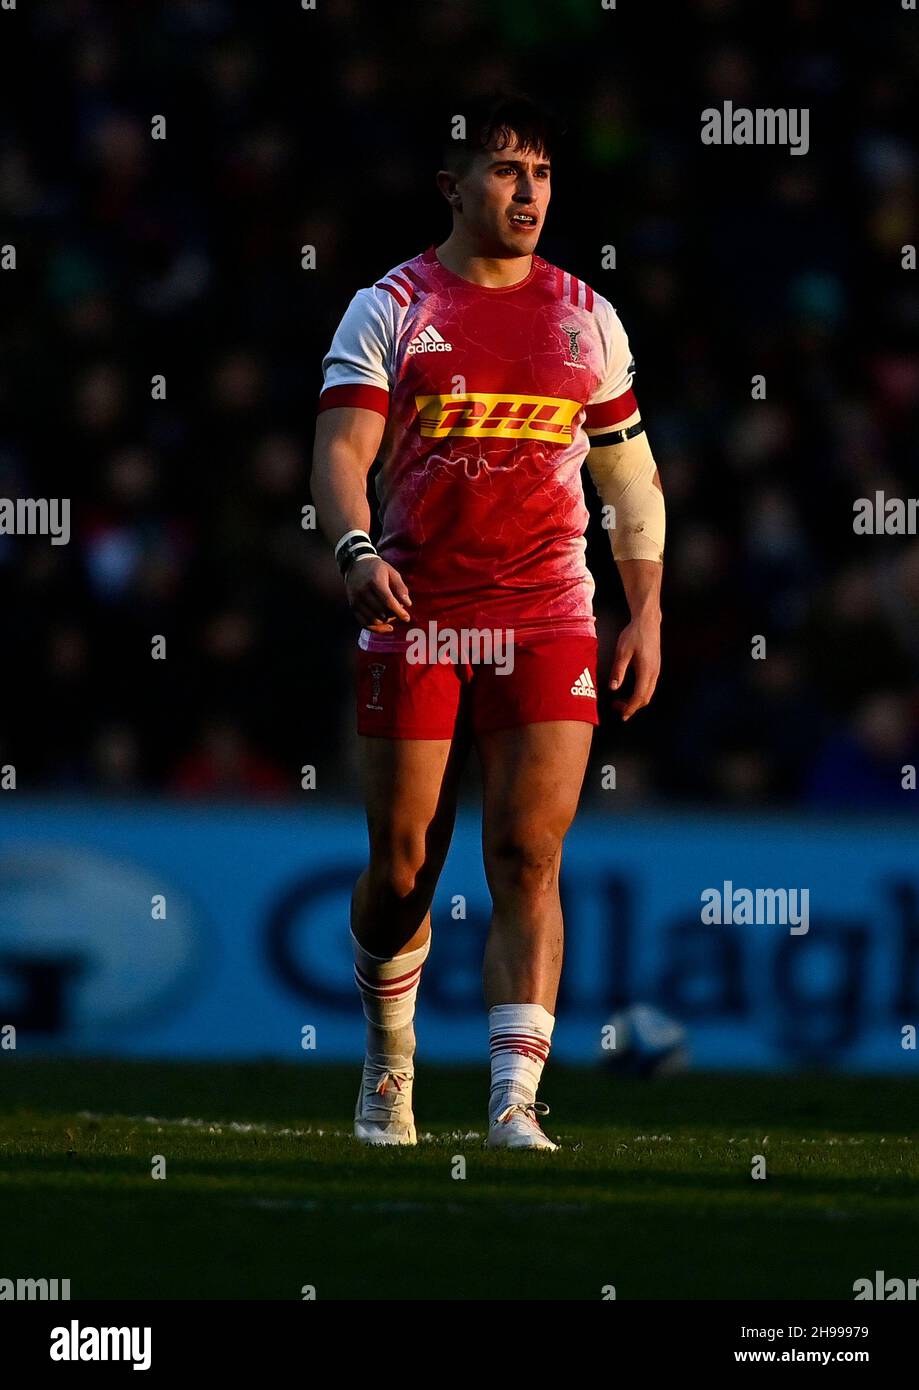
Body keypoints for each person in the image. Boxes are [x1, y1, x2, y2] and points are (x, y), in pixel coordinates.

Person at [311, 93, 665, 1150]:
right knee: (406, 864)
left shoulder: (586, 317)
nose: (528, 193)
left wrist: (643, 609)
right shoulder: (390, 307)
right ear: (452, 187)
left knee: (527, 854)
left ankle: (514, 1103)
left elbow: (629, 476)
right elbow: (341, 452)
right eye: (506, 171)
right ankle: (389, 1059)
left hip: (547, 613)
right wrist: (354, 548)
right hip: (417, 611)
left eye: (543, 175)